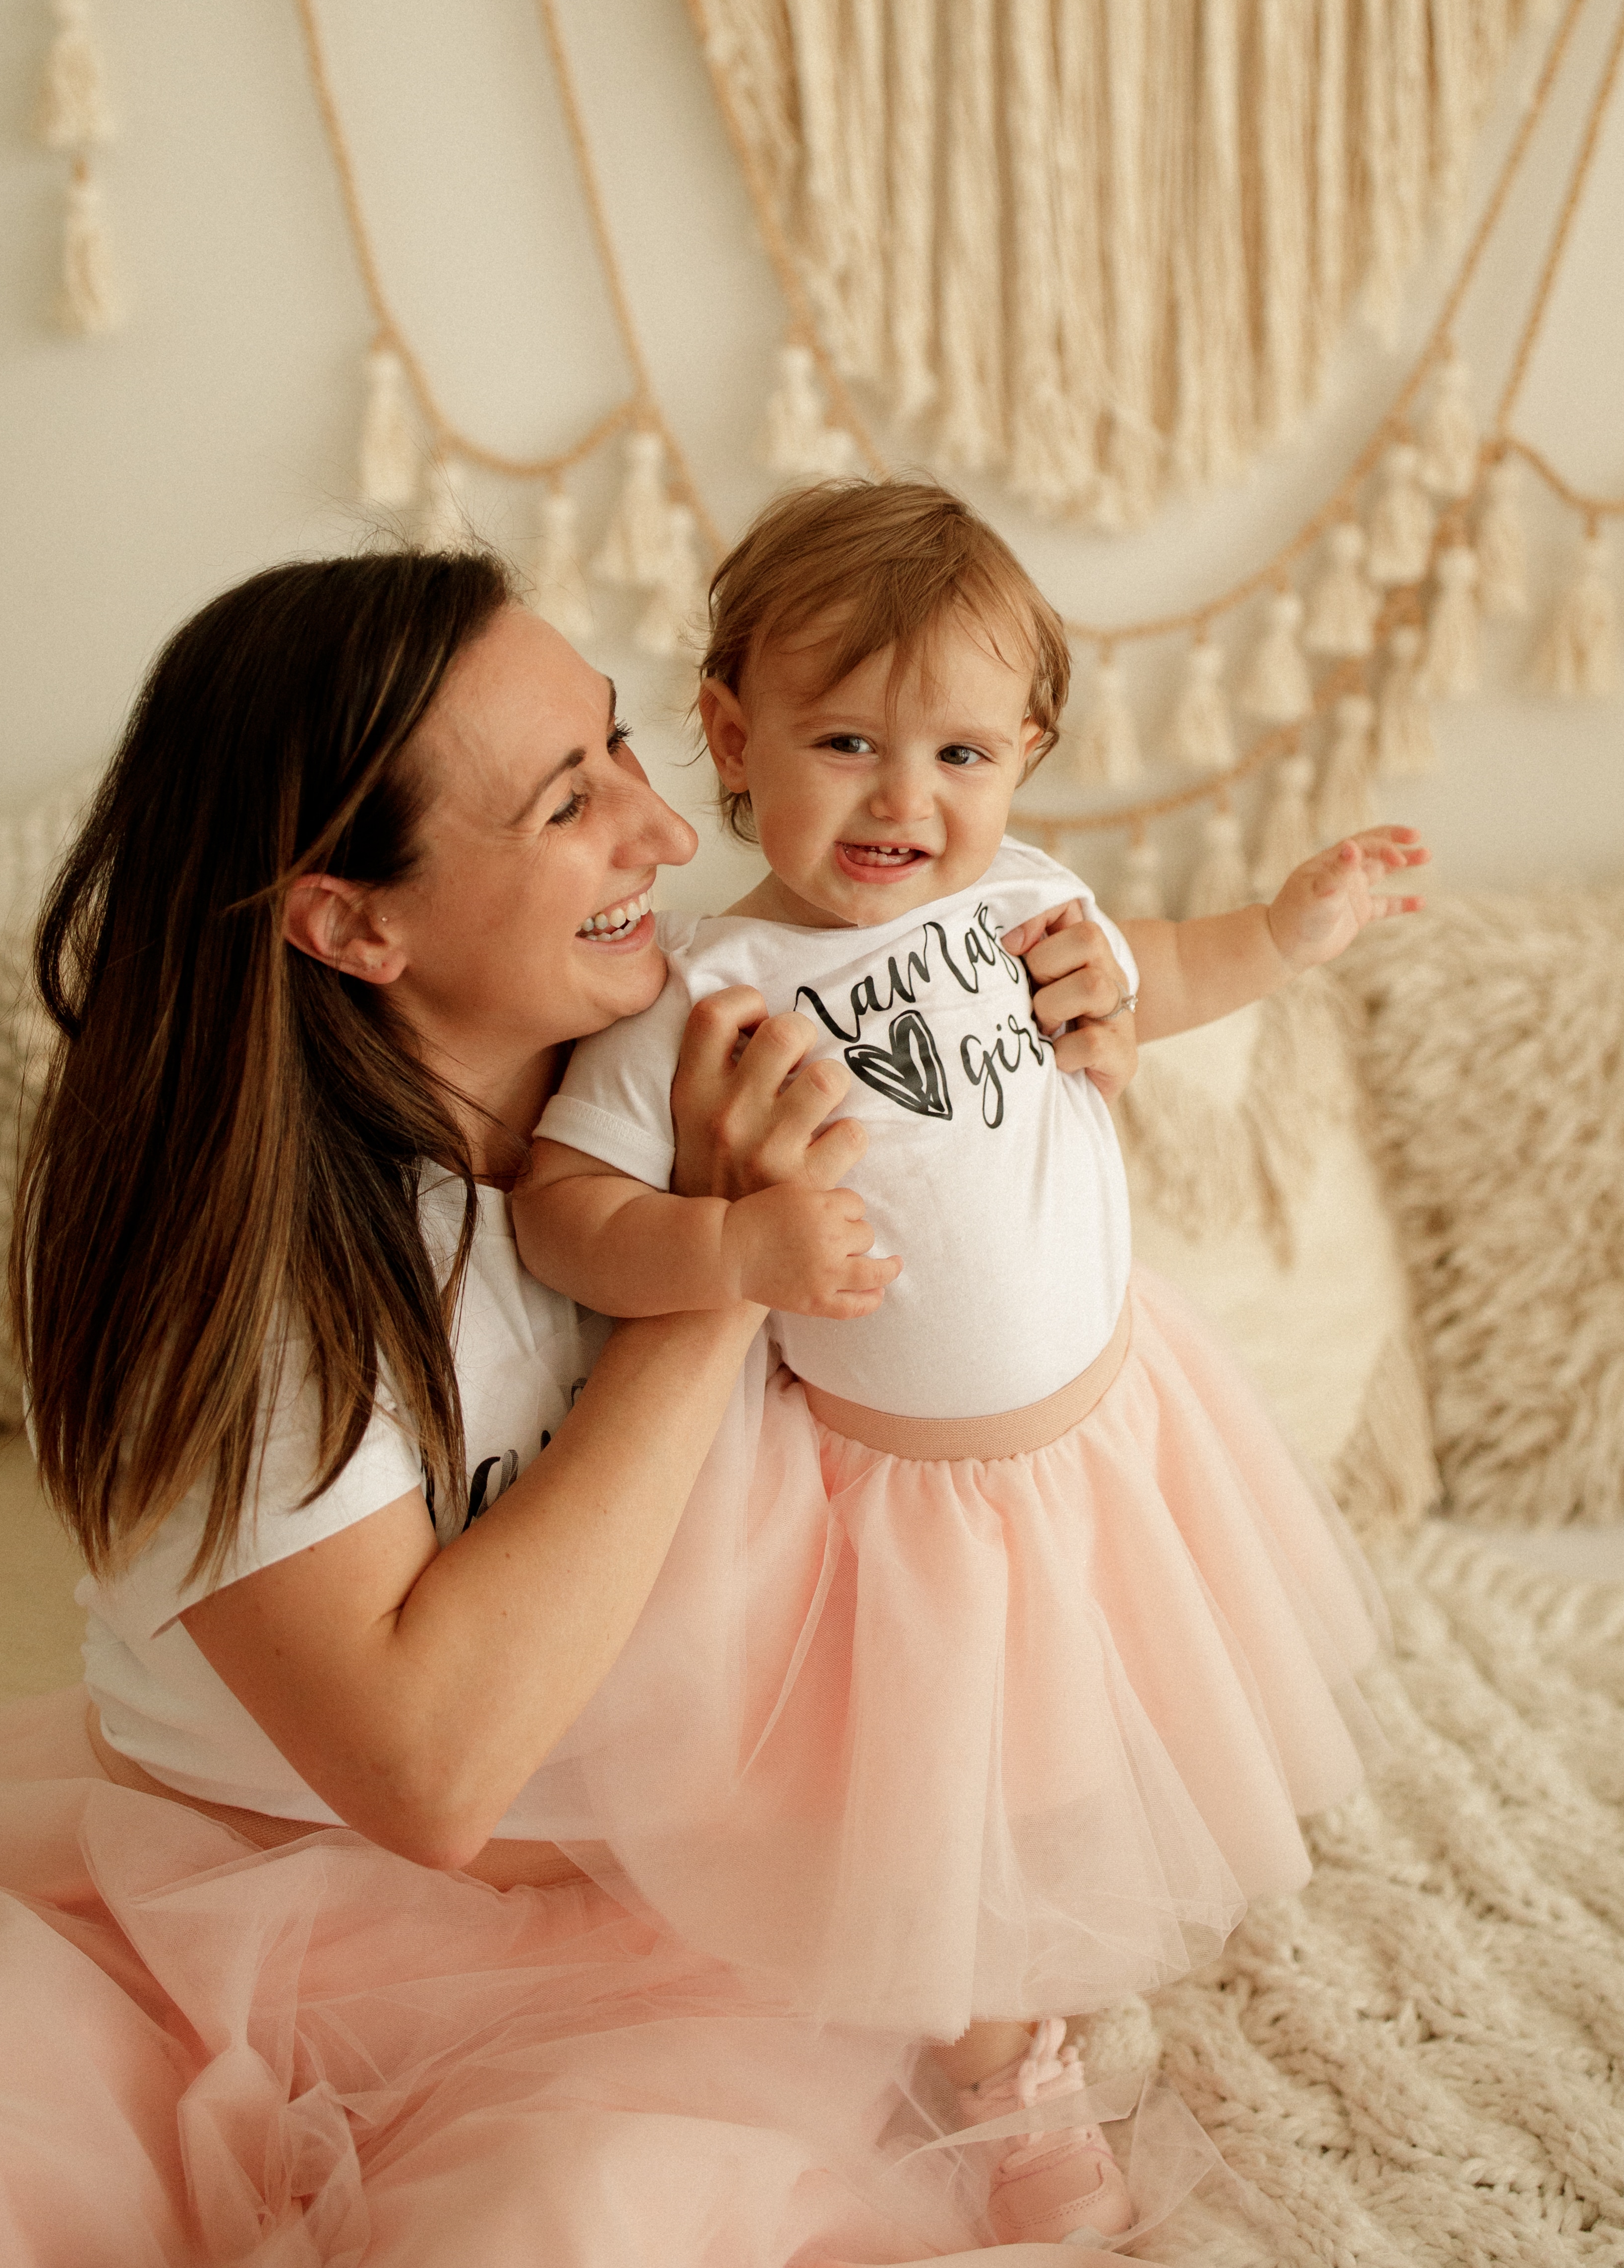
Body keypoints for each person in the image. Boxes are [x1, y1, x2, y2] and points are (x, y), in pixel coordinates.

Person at [0, 547, 1094, 2265]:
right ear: (351, 921)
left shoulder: (698, 1045)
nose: (664, 837)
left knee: (567, 2221)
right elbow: (423, 1772)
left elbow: (988, 1363)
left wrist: (1049, 1066)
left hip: (662, 1919)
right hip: (237, 1922)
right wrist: (711, 1281)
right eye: (563, 804)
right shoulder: (250, 1274)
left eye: (620, 751)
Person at [511, 479, 1427, 2246]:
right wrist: (728, 1249)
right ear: (731, 733)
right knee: (943, 1790)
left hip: (1111, 1432)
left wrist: (1286, 932)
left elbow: (1152, 978)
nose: (902, 801)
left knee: (1092, 1730)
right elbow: (563, 1205)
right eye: (844, 741)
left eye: (958, 755)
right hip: (888, 1504)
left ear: (1025, 757)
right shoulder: (708, 994)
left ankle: (1058, 1948)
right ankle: (1000, 2050)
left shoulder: (1027, 901)